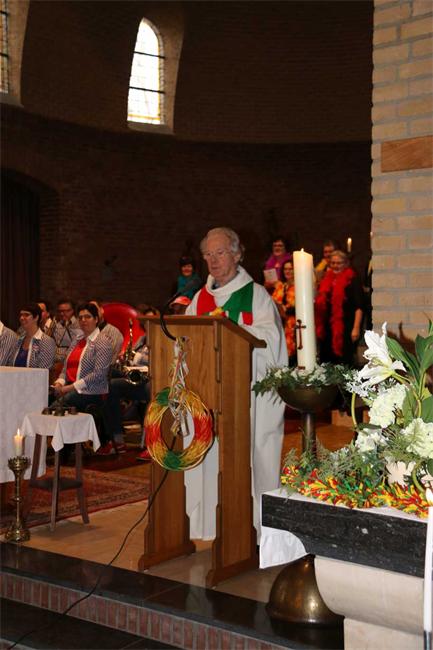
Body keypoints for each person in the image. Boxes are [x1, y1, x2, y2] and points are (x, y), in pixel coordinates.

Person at [185, 227, 288, 541]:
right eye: (208, 255)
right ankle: (211, 527)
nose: (213, 260)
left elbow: (272, 342)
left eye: (220, 253)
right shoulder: (199, 299)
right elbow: (183, 340)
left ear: (237, 254)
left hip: (247, 397)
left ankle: (254, 530)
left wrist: (233, 331)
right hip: (208, 395)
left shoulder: (256, 295)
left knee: (249, 460)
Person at [51, 302, 112, 412]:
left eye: (88, 317)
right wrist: (59, 383)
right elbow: (65, 368)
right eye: (80, 318)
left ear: (96, 319)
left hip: (90, 392)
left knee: (53, 408)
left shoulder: (103, 341)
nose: (83, 320)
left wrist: (69, 388)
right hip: (70, 388)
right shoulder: (77, 340)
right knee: (45, 398)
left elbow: (99, 374)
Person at [315, 250, 364, 366]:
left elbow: (359, 306)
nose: (335, 266)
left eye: (339, 263)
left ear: (346, 263)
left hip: (346, 327)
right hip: (328, 328)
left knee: (344, 360)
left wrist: (356, 327)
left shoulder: (352, 280)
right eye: (333, 263)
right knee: (326, 360)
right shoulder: (326, 279)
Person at [9, 303, 56, 369]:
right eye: (21, 315)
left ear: (36, 317)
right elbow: (10, 366)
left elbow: (43, 371)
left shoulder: (46, 341)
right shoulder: (19, 340)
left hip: (35, 376)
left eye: (26, 315)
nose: (21, 318)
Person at [271, 259, 296, 362]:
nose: (288, 271)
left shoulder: (300, 286)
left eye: (291, 269)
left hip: (294, 326)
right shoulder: (280, 286)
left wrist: (287, 309)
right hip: (280, 325)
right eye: (285, 269)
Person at [89, 300, 123, 365]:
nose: (93, 314)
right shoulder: (84, 332)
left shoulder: (114, 333)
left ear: (102, 310)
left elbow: (109, 360)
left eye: (95, 310)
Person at [51, 298, 82, 368]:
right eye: (60, 311)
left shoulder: (79, 325)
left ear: (72, 311)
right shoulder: (56, 325)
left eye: (65, 311)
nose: (62, 314)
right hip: (57, 362)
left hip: (72, 362)